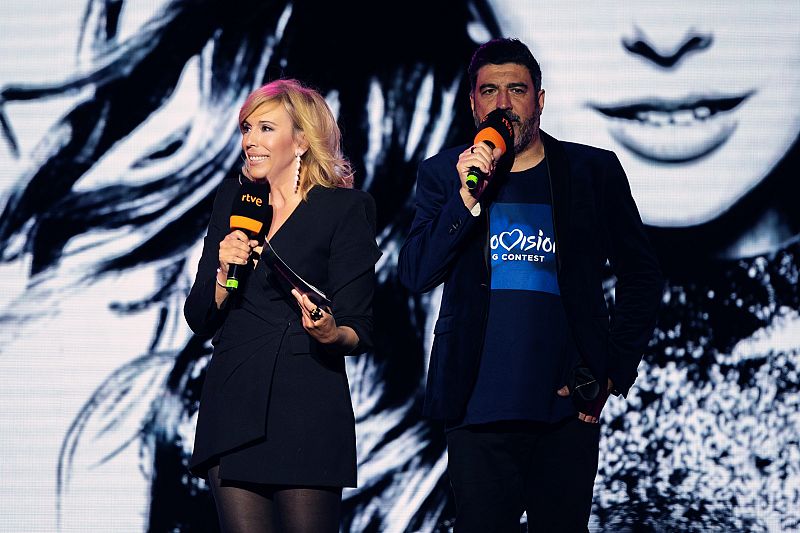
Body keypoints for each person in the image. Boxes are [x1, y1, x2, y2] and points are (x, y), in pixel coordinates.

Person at [398, 37, 664, 531]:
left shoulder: (592, 171)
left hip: (565, 414)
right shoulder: (443, 174)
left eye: (516, 90)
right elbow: (415, 274)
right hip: (476, 412)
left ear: (539, 99)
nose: (503, 104)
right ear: (472, 103)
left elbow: (643, 274)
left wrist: (611, 371)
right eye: (490, 91)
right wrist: (464, 200)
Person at [183, 79, 380, 532]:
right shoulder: (231, 203)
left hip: (307, 402)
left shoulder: (344, 209)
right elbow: (199, 316)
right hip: (232, 402)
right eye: (246, 129)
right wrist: (222, 272)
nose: (250, 140)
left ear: (302, 140)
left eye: (265, 128)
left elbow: (358, 326)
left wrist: (331, 333)